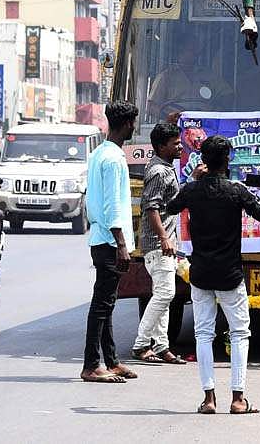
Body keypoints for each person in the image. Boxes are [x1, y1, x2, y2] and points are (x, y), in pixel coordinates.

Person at [166, 135, 260, 414]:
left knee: (203, 334)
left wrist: (192, 178)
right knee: (240, 333)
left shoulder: (192, 190)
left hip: (201, 272)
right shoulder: (236, 191)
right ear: (227, 160)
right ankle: (238, 399)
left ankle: (208, 399)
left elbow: (169, 207)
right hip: (230, 274)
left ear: (204, 160)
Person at [81, 100, 139, 383]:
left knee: (107, 303)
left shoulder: (99, 153)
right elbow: (111, 206)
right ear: (127, 124)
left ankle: (112, 360)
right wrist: (122, 244)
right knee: (102, 305)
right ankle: (92, 364)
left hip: (99, 237)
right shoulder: (114, 158)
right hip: (109, 240)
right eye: (133, 123)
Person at [131, 122, 187, 365]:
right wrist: (164, 237)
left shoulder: (165, 168)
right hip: (158, 244)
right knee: (166, 293)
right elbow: (151, 207)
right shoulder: (158, 171)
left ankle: (162, 346)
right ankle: (141, 344)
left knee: (162, 295)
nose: (180, 147)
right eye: (175, 144)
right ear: (162, 146)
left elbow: (169, 201)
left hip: (165, 242)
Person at [146, 31, 233, 121]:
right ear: (180, 50)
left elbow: (227, 94)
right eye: (191, 49)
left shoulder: (208, 75)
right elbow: (151, 106)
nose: (196, 53)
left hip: (205, 124)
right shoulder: (166, 76)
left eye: (197, 50)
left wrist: (217, 111)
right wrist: (168, 117)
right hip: (175, 126)